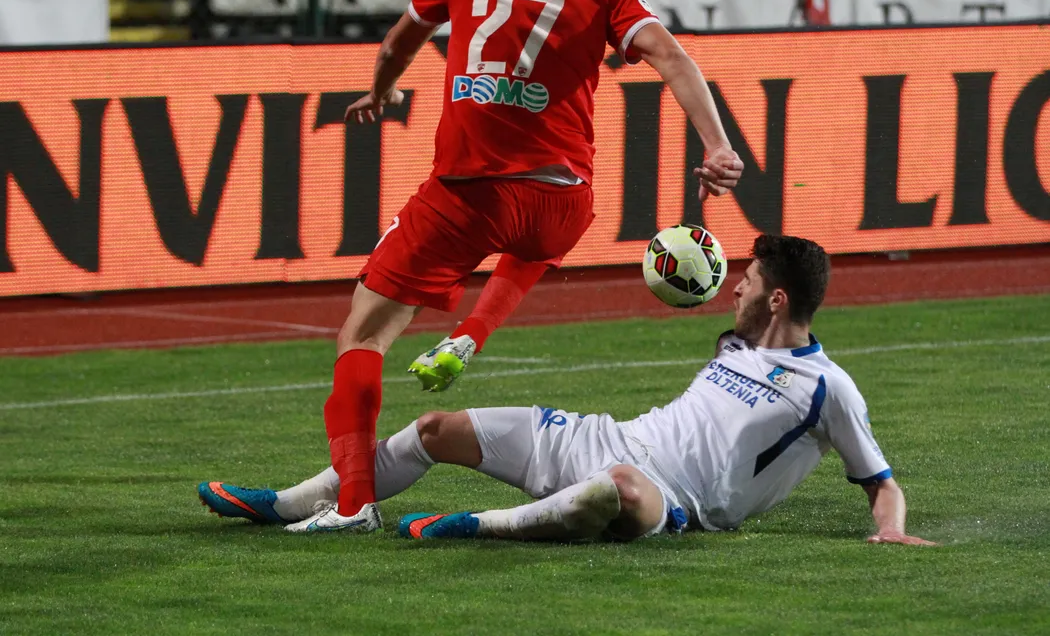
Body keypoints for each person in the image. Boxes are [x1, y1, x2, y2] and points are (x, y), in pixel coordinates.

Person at [275, 0, 743, 534]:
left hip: (471, 193)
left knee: (362, 335)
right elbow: (671, 56)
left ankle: (353, 505)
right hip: (564, 198)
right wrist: (717, 146)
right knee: (533, 244)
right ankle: (470, 335)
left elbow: (397, 43)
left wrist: (382, 88)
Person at [199, 236, 937, 546]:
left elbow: (880, 482)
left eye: (747, 282)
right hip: (605, 436)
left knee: (615, 491)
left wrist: (892, 528)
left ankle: (477, 525)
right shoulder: (737, 343)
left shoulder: (828, 389)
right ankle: (295, 503)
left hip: (669, 498)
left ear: (777, 299)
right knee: (433, 428)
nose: (734, 289)